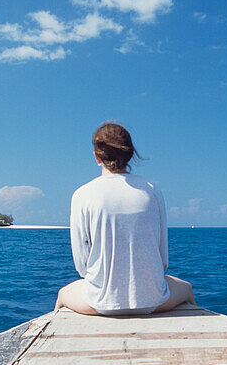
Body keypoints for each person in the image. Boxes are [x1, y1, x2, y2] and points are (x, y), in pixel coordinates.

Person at [55, 122, 195, 316]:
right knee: (186, 288)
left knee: (63, 294)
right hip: (153, 300)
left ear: (97, 157)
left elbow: (81, 266)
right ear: (129, 154)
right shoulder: (152, 190)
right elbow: (163, 261)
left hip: (99, 303)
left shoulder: (82, 194)